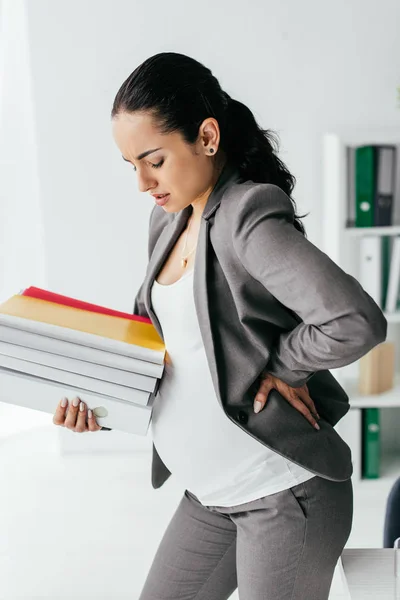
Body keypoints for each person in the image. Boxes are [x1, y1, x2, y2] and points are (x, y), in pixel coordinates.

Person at [53, 52, 387, 599]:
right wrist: (103, 404)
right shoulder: (168, 218)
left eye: (153, 160)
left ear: (207, 137)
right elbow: (172, 353)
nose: (141, 182)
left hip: (283, 499)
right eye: (130, 164)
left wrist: (284, 367)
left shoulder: (247, 219)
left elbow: (355, 320)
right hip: (210, 498)